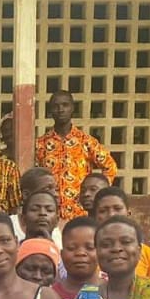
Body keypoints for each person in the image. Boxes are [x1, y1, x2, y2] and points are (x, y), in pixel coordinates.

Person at [36, 89, 119, 220]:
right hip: (51, 213)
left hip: (80, 213)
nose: (60, 110)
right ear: (50, 110)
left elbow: (110, 166)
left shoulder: (86, 141)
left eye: (65, 105)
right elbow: (35, 177)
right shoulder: (41, 144)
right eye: (56, 106)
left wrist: (97, 193)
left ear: (72, 108)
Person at [92, 187, 150, 279]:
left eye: (117, 208)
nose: (111, 214)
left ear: (128, 213)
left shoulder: (147, 254)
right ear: (95, 216)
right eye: (103, 211)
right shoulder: (86, 253)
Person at [52, 216, 99, 299]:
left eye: (90, 247)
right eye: (72, 248)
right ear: (62, 254)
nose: (80, 253)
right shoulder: (50, 297)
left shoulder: (114, 293)